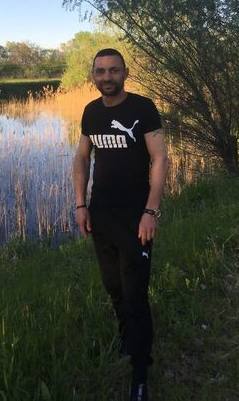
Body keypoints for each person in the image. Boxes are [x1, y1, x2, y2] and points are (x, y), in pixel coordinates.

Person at [73, 48, 169, 401]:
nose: (107, 77)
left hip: (135, 216)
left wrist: (150, 211)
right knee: (113, 286)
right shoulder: (91, 112)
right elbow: (82, 157)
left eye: (113, 70)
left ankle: (140, 371)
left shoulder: (142, 108)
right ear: (94, 75)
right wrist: (81, 204)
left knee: (135, 294)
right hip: (101, 213)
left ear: (125, 73)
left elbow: (160, 159)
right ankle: (127, 341)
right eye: (100, 71)